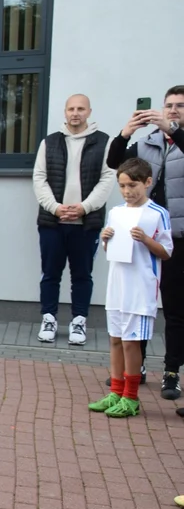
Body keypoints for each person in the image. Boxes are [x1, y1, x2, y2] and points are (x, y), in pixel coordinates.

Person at [106, 86, 184, 403]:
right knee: (138, 306)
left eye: (180, 106)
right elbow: (115, 162)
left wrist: (174, 131)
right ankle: (133, 373)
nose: (173, 110)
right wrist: (126, 133)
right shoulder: (147, 143)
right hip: (140, 238)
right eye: (169, 106)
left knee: (176, 310)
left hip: (177, 234)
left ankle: (171, 372)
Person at [88, 158, 172, 418]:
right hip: (117, 286)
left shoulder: (157, 213)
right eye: (122, 185)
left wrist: (146, 240)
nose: (127, 191)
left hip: (140, 288)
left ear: (147, 182)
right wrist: (104, 239)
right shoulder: (116, 212)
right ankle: (115, 391)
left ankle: (131, 398)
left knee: (130, 343)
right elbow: (110, 249)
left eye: (132, 185)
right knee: (114, 340)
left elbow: (166, 252)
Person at [32, 94, 116, 346]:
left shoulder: (104, 142)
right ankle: (49, 319)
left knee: (82, 275)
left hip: (86, 224)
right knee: (50, 274)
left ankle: (79, 321)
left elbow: (107, 178)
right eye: (71, 109)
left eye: (80, 108)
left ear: (89, 111)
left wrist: (84, 207)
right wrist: (56, 208)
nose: (75, 113)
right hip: (52, 222)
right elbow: (39, 178)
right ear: (65, 112)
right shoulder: (50, 142)